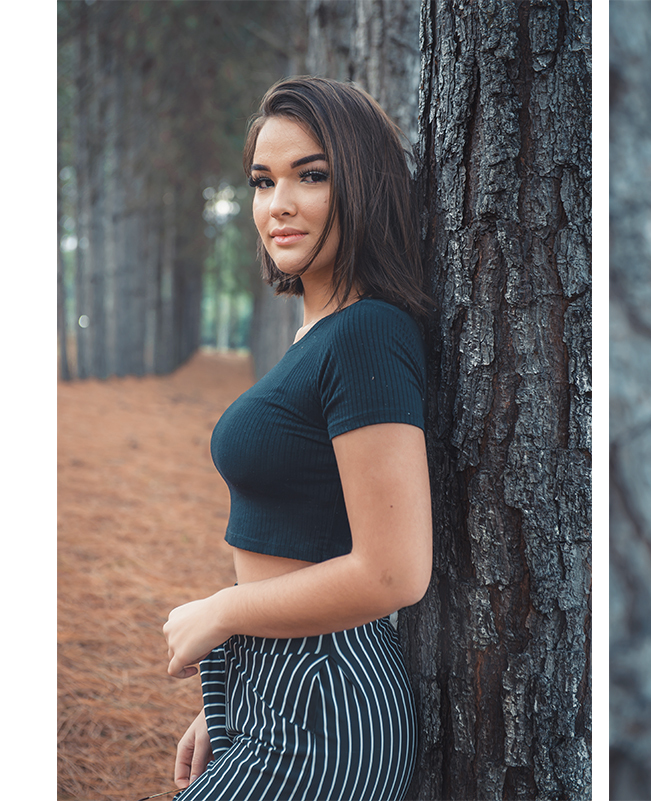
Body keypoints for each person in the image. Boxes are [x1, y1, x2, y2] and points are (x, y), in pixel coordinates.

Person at [162, 76, 432, 800]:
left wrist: (222, 612)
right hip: (276, 686)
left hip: (323, 707)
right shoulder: (320, 334)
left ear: (363, 185)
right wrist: (234, 696)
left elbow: (393, 572)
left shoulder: (369, 334)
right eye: (262, 181)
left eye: (310, 176)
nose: (278, 204)